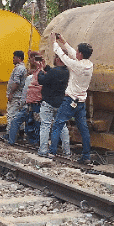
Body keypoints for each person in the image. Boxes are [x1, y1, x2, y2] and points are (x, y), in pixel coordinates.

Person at [50, 33, 94, 164]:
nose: (76, 53)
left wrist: (55, 43)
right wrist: (64, 41)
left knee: (58, 124)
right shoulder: (89, 65)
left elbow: (63, 57)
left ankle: (52, 152)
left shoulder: (77, 66)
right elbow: (73, 54)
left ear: (80, 54)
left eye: (78, 51)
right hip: (81, 102)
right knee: (83, 128)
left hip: (70, 101)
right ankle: (86, 156)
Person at [36, 54, 71, 157]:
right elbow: (53, 74)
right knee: (62, 127)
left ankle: (43, 150)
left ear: (58, 59)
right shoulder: (66, 71)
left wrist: (40, 70)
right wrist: (46, 67)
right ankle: (67, 151)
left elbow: (42, 80)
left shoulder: (54, 71)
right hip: (60, 103)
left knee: (45, 125)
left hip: (48, 102)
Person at [5, 50, 27, 138]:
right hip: (20, 96)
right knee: (19, 116)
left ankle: (9, 134)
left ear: (19, 58)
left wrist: (11, 93)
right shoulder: (23, 68)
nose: (13, 59)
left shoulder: (19, 69)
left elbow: (16, 82)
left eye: (14, 57)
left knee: (11, 114)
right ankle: (21, 133)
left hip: (16, 96)